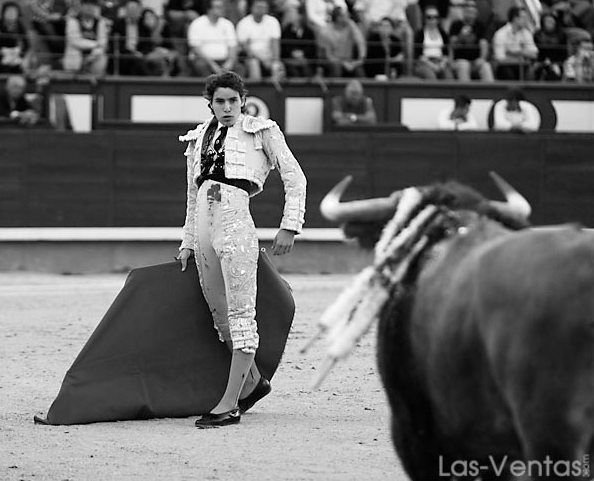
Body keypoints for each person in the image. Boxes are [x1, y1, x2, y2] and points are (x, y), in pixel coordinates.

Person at [176, 70, 306, 428]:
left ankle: (229, 403)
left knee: (240, 312)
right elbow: (191, 194)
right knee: (219, 314)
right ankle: (251, 384)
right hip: (204, 221)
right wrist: (188, 240)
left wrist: (289, 226)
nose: (228, 107)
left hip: (235, 222)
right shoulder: (198, 136)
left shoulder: (261, 130)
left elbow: (295, 177)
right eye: (220, 101)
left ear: (242, 100)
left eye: (233, 100)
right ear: (211, 103)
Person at [187, 0, 240, 76]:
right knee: (201, 65)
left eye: (222, 7)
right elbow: (195, 48)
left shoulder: (227, 24)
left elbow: (233, 46)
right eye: (218, 7)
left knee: (239, 67)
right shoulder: (197, 23)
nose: (222, 9)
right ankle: (211, 87)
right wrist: (212, 64)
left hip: (224, 61)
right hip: (205, 61)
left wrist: (230, 62)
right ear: (209, 9)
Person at [236, 0, 283, 80]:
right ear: (252, 8)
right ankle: (257, 91)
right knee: (254, 63)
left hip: (269, 58)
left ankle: (277, 91)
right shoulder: (243, 23)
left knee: (278, 67)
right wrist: (262, 60)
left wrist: (275, 61)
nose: (261, 9)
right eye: (258, 7)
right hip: (251, 57)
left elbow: (275, 44)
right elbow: (245, 47)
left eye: (263, 7)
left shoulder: (273, 21)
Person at [449, 0, 494, 81]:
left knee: (486, 66)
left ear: (476, 14)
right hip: (460, 60)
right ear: (463, 12)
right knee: (464, 65)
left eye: (472, 12)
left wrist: (482, 58)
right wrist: (461, 36)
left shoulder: (480, 26)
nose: (470, 15)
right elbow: (452, 45)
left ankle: (490, 93)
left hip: (475, 60)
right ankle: (466, 93)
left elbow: (484, 43)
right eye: (468, 12)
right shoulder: (456, 25)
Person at [62, 0, 109, 75]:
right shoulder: (73, 20)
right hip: (76, 58)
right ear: (81, 6)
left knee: (102, 57)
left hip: (93, 57)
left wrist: (90, 58)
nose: (89, 7)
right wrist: (95, 44)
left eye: (92, 5)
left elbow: (103, 43)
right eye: (86, 4)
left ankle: (96, 81)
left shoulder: (100, 22)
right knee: (74, 52)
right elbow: (75, 41)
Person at [492, 6, 539, 80]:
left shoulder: (526, 33)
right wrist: (521, 57)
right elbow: (500, 58)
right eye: (524, 17)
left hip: (522, 66)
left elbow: (534, 54)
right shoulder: (501, 34)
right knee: (508, 72)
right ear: (515, 18)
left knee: (531, 71)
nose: (526, 20)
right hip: (505, 66)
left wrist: (518, 52)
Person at [319, 6, 366, 77]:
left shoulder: (350, 25)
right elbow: (329, 56)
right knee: (337, 68)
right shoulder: (326, 32)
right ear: (338, 18)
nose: (348, 16)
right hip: (334, 61)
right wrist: (342, 63)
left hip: (349, 60)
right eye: (345, 15)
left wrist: (360, 59)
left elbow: (360, 41)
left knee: (359, 71)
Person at [413, 5, 454, 80]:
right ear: (424, 19)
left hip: (440, 62)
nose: (432, 20)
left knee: (449, 76)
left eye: (435, 17)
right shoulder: (420, 34)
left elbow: (446, 53)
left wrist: (442, 64)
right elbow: (418, 55)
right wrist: (432, 66)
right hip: (424, 63)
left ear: (438, 19)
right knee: (431, 76)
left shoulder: (443, 33)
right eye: (429, 17)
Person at [280, 5, 317, 78]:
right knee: (293, 71)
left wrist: (302, 53)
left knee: (307, 69)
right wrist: (293, 53)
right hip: (290, 60)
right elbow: (284, 48)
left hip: (305, 59)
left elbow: (312, 48)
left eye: (294, 14)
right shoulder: (286, 31)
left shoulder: (309, 31)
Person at [533, 12, 568, 81]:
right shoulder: (537, 35)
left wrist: (556, 63)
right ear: (543, 23)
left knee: (555, 72)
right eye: (548, 21)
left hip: (557, 61)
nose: (550, 23)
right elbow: (536, 51)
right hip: (541, 60)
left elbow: (564, 53)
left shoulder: (562, 35)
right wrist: (540, 61)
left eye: (552, 21)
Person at [0, 1, 30, 74]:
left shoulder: (20, 26)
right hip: (2, 58)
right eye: (9, 11)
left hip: (16, 58)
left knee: (20, 71)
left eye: (14, 11)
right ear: (3, 13)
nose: (11, 13)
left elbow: (27, 45)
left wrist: (24, 59)